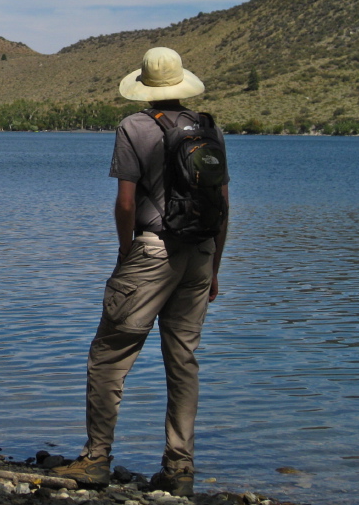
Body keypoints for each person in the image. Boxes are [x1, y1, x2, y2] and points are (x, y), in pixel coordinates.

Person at [54, 47, 229, 497]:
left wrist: (124, 250)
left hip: (153, 250)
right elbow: (223, 204)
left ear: (145, 88)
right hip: (201, 250)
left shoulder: (134, 126)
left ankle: (95, 459)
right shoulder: (207, 129)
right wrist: (214, 268)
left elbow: (127, 203)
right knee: (183, 359)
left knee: (109, 354)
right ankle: (179, 468)